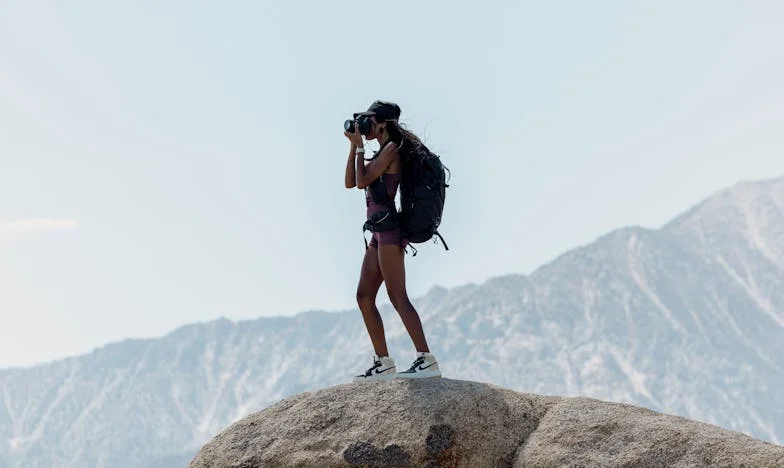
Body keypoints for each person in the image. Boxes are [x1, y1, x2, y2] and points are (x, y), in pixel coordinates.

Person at [343, 100, 441, 381]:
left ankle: (426, 358)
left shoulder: (391, 151)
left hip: (389, 233)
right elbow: (351, 181)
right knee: (363, 296)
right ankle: (383, 361)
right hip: (377, 233)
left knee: (397, 296)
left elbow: (362, 182)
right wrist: (354, 147)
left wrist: (361, 147)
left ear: (383, 123)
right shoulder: (379, 151)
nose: (365, 127)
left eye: (369, 121)